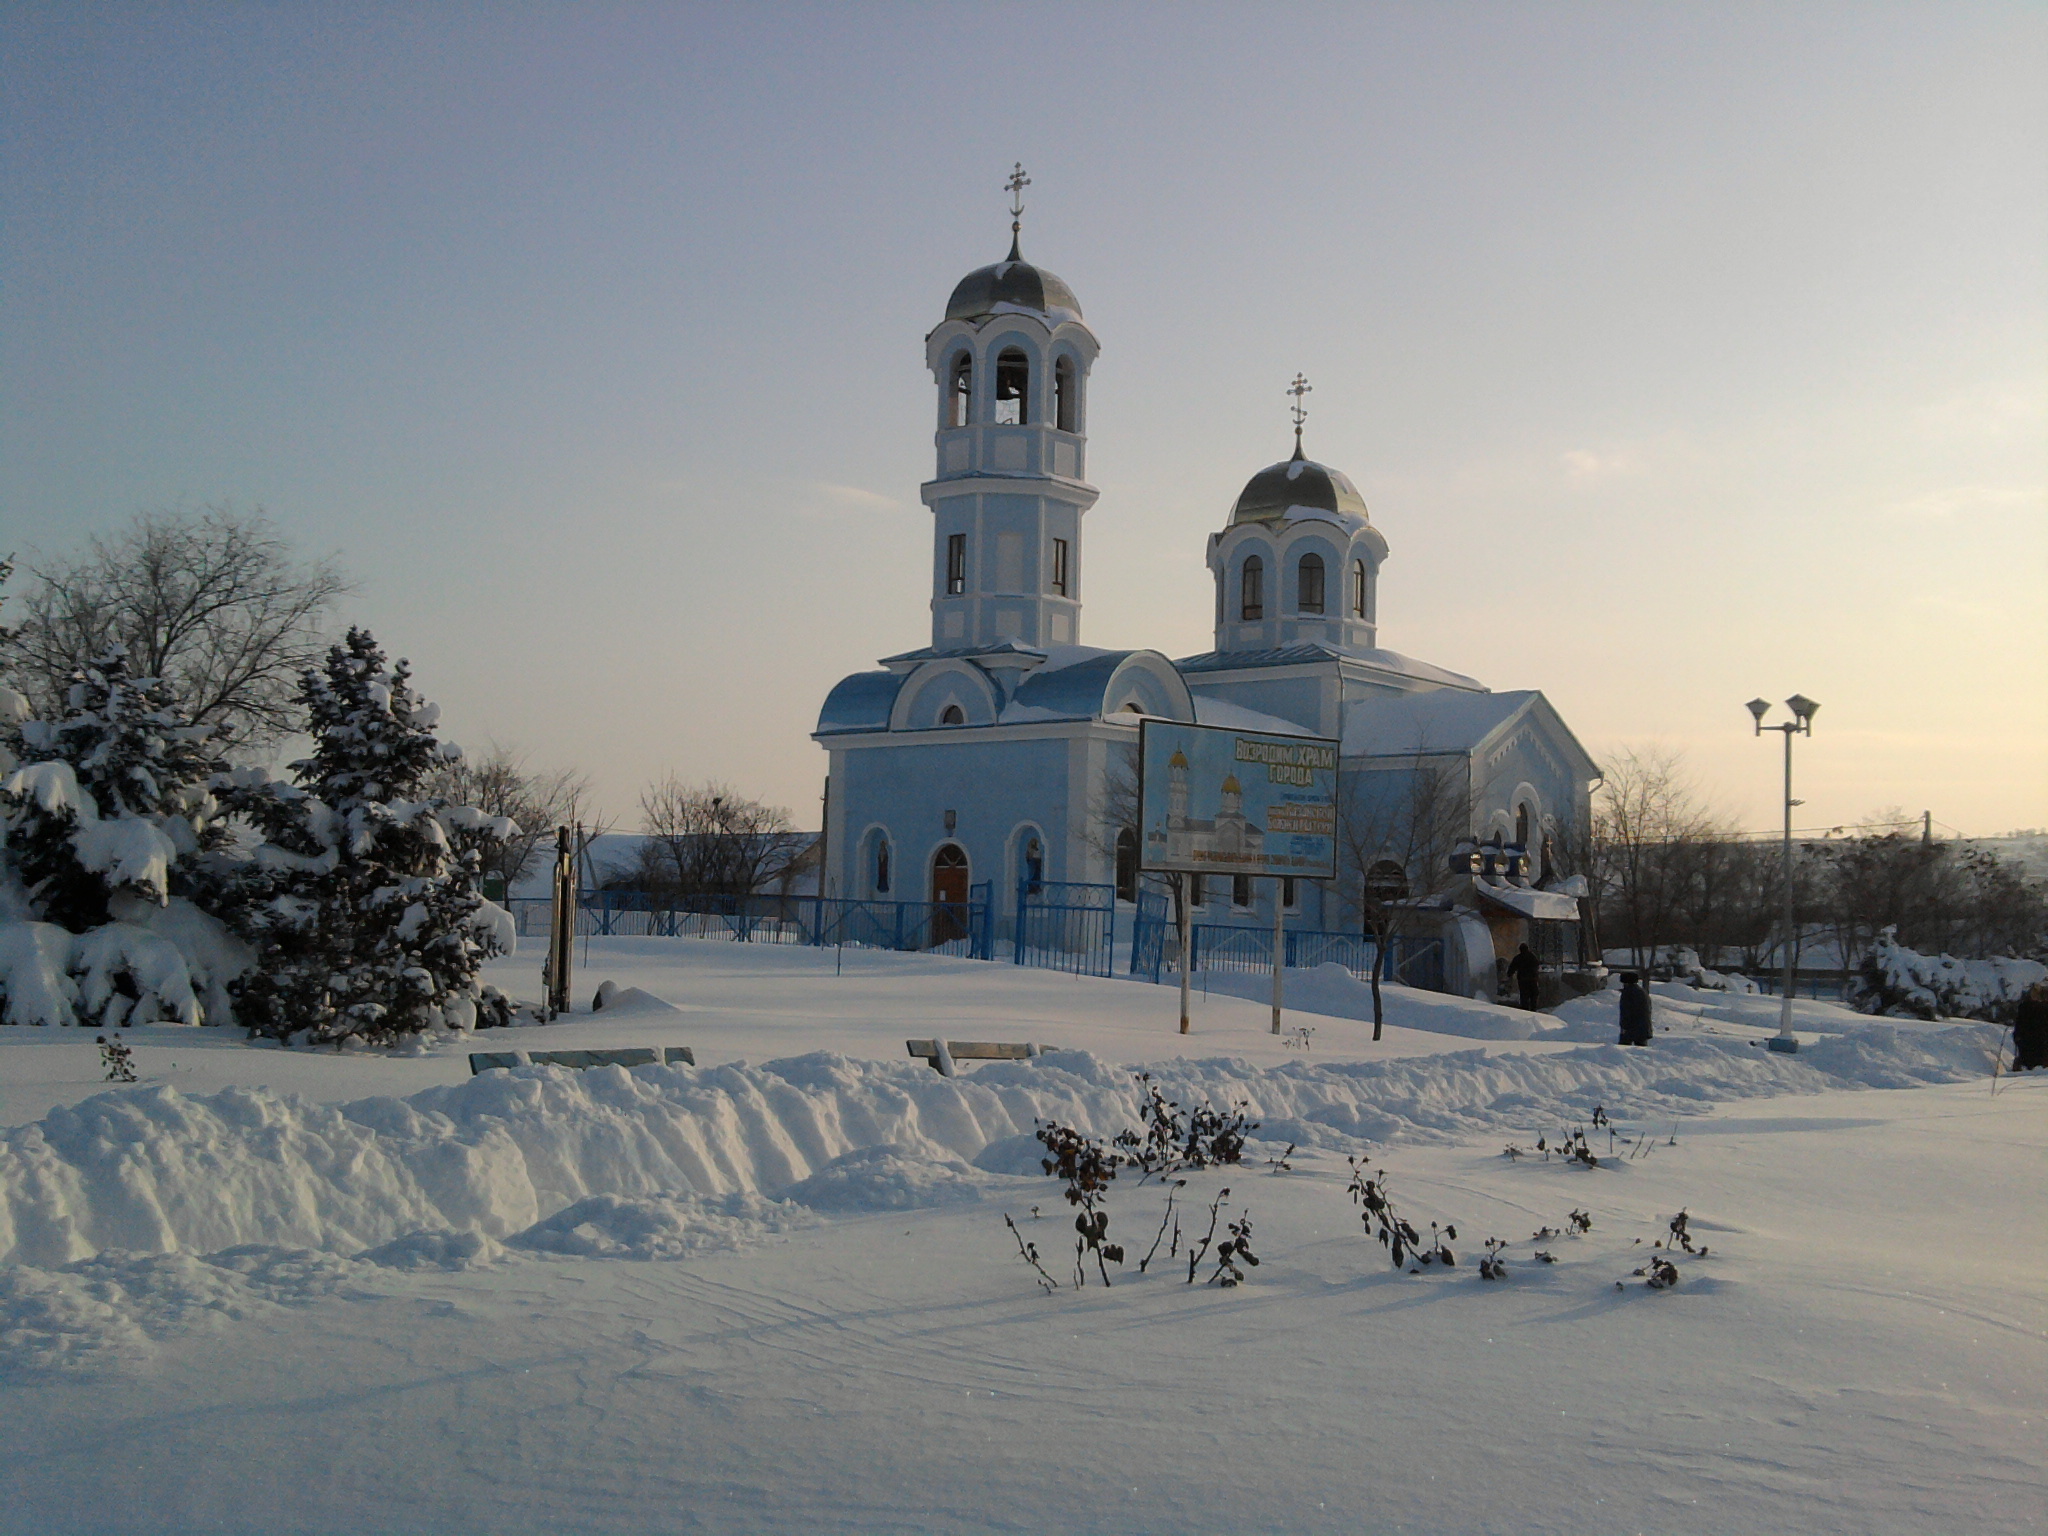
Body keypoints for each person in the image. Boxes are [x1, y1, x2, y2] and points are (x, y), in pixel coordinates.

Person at [2013, 980, 2048, 1072]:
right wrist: (2017, 1036)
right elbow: (2019, 1023)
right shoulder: (2025, 1006)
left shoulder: (2043, 1007)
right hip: (2028, 1040)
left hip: (2040, 1041)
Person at [1617, 972, 1652, 1046]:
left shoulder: (1628, 993)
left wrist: (1624, 1026)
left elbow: (1626, 1011)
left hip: (1632, 1028)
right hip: (1643, 1027)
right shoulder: (1642, 991)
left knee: (1623, 1050)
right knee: (1641, 1051)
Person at [1507, 942, 1541, 1011]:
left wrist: (1509, 974)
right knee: (1533, 996)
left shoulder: (1518, 958)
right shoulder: (1532, 956)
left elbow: (1512, 968)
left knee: (1524, 996)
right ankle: (1533, 1010)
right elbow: (1537, 965)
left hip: (1523, 981)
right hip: (1532, 980)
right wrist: (1536, 975)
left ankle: (1524, 1010)